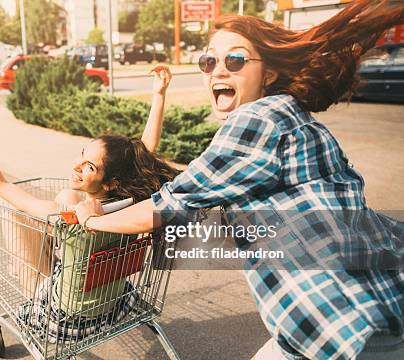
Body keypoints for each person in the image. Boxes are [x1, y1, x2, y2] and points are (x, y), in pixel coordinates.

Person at [75, 1, 404, 359]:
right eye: (208, 61)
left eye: (235, 60)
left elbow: (170, 204)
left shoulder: (258, 120)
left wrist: (93, 220)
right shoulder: (290, 116)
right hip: (349, 311)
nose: (218, 70)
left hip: (343, 319)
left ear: (268, 74)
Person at [0, 65, 179, 341]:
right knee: (66, 195)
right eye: (82, 154)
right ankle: (54, 260)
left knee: (15, 213)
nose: (76, 166)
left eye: (88, 167)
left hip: (66, 319)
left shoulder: (69, 216)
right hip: (115, 304)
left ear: (110, 182)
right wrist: (159, 94)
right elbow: (145, 151)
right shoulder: (132, 203)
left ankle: (27, 273)